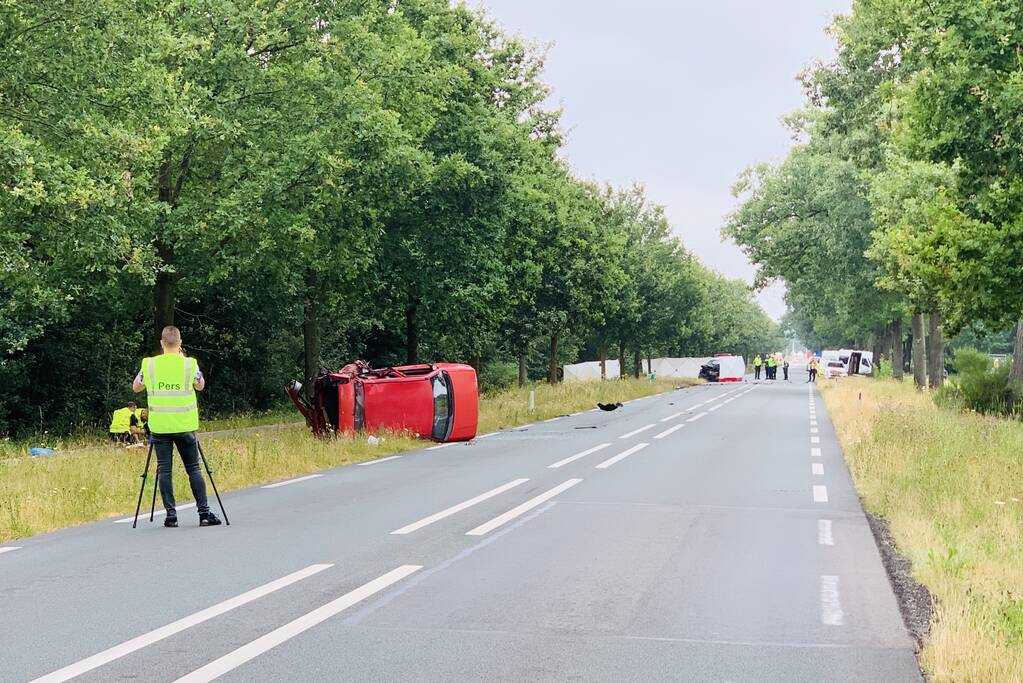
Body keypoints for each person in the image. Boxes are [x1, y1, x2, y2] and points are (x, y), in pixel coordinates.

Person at [133, 326, 221, 527]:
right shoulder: (190, 364)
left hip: (160, 426)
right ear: (180, 343)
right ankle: (204, 513)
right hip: (185, 425)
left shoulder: (150, 365)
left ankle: (171, 516)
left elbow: (136, 387)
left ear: (162, 343)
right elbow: (200, 385)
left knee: (164, 470)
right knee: (194, 469)